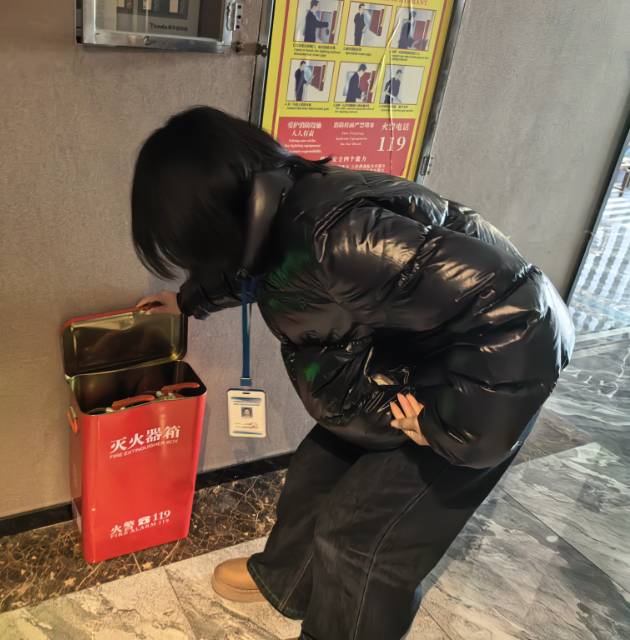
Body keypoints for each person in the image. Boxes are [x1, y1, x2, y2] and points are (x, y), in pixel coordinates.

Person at [132, 107, 573, 640]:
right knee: (313, 475)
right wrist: (187, 301)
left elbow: (520, 311)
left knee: (360, 541)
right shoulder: (276, 214)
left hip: (474, 392)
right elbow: (259, 270)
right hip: (398, 374)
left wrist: (451, 427)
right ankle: (288, 582)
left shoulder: (338, 237)